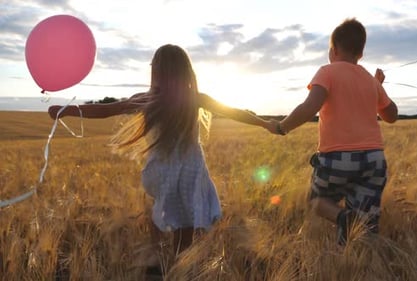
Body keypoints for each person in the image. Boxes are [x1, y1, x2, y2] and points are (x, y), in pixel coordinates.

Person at [48, 44, 274, 259]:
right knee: (185, 226)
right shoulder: (196, 99)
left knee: (159, 212)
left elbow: (106, 110)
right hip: (190, 171)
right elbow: (235, 112)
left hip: (159, 171)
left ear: (156, 71)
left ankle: (155, 258)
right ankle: (178, 263)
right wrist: (264, 123)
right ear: (186, 71)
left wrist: (66, 110)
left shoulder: (147, 99)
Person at [269, 18, 398, 245]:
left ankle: (342, 217)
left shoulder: (327, 72)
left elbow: (310, 107)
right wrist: (379, 87)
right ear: (361, 53)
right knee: (365, 224)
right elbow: (392, 115)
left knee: (316, 200)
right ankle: (360, 258)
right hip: (374, 161)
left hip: (337, 159)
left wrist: (282, 127)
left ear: (334, 49)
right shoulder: (371, 80)